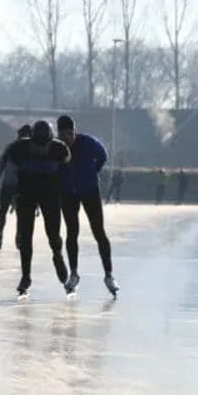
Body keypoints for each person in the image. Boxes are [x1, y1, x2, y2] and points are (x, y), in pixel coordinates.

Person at [56, 115, 117, 297]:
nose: (68, 138)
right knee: (71, 232)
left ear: (74, 131)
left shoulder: (88, 142)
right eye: (64, 135)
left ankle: (109, 275)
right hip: (67, 192)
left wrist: (93, 173)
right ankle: (74, 274)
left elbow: (103, 155)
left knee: (98, 231)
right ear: (59, 134)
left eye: (70, 134)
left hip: (89, 189)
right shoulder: (57, 147)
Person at [11, 120, 71, 298]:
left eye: (44, 146)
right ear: (31, 141)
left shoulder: (59, 148)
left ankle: (57, 254)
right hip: (26, 194)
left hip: (50, 195)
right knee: (25, 236)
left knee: (53, 232)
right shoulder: (19, 148)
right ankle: (26, 276)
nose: (41, 150)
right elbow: (11, 168)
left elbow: (67, 165)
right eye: (37, 146)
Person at [0, 125, 31, 250]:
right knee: (15, 212)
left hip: (15, 183)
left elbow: (2, 165)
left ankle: (6, 237)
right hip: (15, 183)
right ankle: (14, 238)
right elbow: (2, 164)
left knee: (10, 212)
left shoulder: (16, 147)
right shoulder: (16, 147)